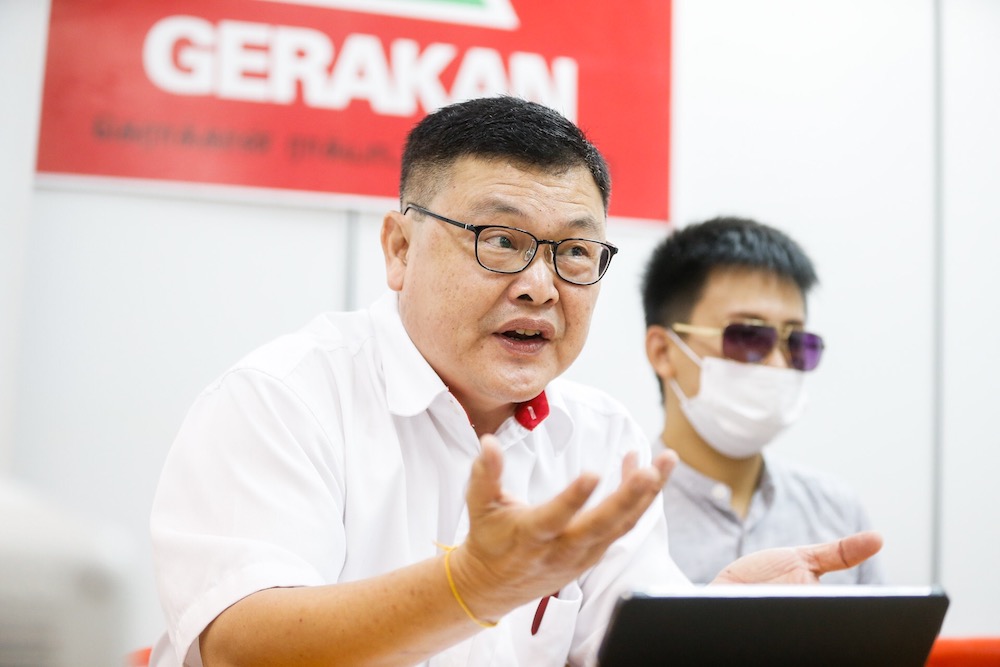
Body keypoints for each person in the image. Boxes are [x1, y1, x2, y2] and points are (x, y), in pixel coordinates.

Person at [148, 97, 882, 667]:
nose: (540, 286)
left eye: (574, 252)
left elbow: (619, 650)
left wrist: (710, 626)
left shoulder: (601, 438)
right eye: (501, 241)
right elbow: (241, 646)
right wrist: (471, 586)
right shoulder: (282, 399)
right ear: (399, 248)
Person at [641, 216, 885, 585]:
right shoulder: (611, 517)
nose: (777, 364)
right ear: (663, 352)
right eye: (748, 336)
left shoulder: (838, 514)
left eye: (796, 343)